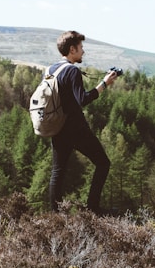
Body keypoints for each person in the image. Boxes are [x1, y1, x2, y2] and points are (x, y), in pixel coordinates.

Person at [48, 30, 118, 215]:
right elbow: (82, 99)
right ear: (72, 49)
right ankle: (93, 209)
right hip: (75, 129)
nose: (83, 52)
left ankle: (57, 216)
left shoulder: (50, 70)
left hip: (57, 127)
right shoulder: (72, 71)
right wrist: (103, 84)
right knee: (103, 163)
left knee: (58, 172)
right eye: (81, 48)